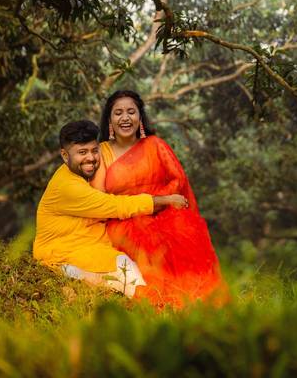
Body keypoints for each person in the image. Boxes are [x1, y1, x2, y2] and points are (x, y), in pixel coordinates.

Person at [91, 90, 228, 308]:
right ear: (109, 119)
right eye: (118, 113)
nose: (125, 118)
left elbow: (178, 179)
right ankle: (160, 304)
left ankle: (197, 302)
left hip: (162, 211)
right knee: (146, 241)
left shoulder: (155, 145)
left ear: (140, 117)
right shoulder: (102, 152)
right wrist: (139, 208)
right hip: (122, 219)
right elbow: (99, 199)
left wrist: (158, 203)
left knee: (182, 230)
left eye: (131, 112)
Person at [33, 119, 188, 297]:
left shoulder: (78, 172)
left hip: (88, 247)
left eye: (94, 150)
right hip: (61, 257)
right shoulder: (68, 187)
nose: (90, 158)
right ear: (65, 155)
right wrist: (166, 200)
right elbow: (115, 206)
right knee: (127, 271)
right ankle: (151, 308)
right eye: (82, 152)